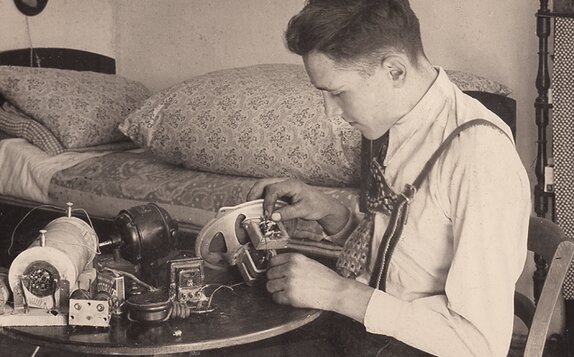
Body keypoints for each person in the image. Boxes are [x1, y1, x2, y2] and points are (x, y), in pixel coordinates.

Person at [247, 0, 531, 356]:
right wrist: (333, 215)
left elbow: (479, 345)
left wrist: (337, 293)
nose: (331, 113)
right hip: (368, 336)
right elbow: (404, 263)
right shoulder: (399, 122)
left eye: (337, 93)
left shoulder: (479, 155)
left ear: (394, 71)